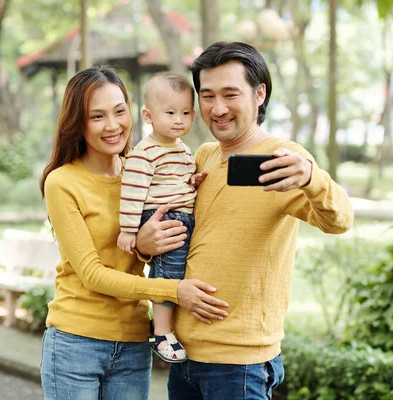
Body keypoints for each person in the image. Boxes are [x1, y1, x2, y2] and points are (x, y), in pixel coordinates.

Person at [136, 42, 355, 399]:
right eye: (207, 96)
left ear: (259, 94)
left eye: (229, 94)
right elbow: (182, 235)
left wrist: (311, 176)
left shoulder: (283, 159)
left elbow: (339, 220)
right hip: (183, 356)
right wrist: (146, 244)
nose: (217, 108)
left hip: (240, 365)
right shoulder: (203, 156)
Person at [39, 66, 229, 400]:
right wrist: (173, 290)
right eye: (97, 116)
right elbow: (93, 275)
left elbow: (167, 227)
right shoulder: (63, 182)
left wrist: (144, 246)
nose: (112, 126)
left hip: (133, 343)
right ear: (77, 122)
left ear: (133, 112)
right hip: (76, 342)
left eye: (118, 111)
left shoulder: (142, 168)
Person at [117, 72, 204, 363]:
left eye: (186, 113)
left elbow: (178, 181)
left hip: (180, 218)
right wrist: (129, 230)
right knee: (169, 272)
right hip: (159, 219)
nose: (179, 120)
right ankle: (162, 331)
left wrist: (193, 182)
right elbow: (132, 191)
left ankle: (168, 326)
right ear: (148, 115)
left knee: (176, 270)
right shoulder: (145, 152)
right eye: (170, 113)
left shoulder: (182, 150)